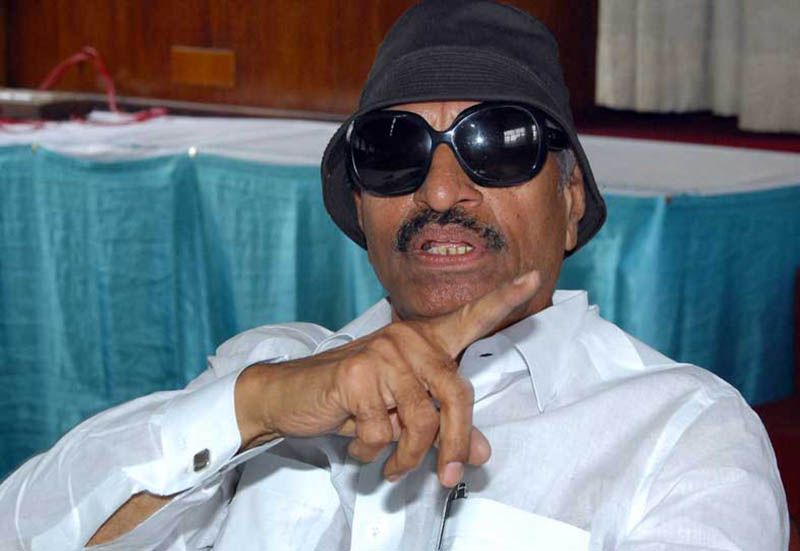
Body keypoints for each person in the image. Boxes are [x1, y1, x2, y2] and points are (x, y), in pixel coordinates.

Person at [0, 1, 789, 550]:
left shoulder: (682, 433)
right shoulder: (269, 371)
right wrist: (256, 406)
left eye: (498, 142)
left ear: (571, 194)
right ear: (360, 203)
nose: (441, 193)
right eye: (393, 150)